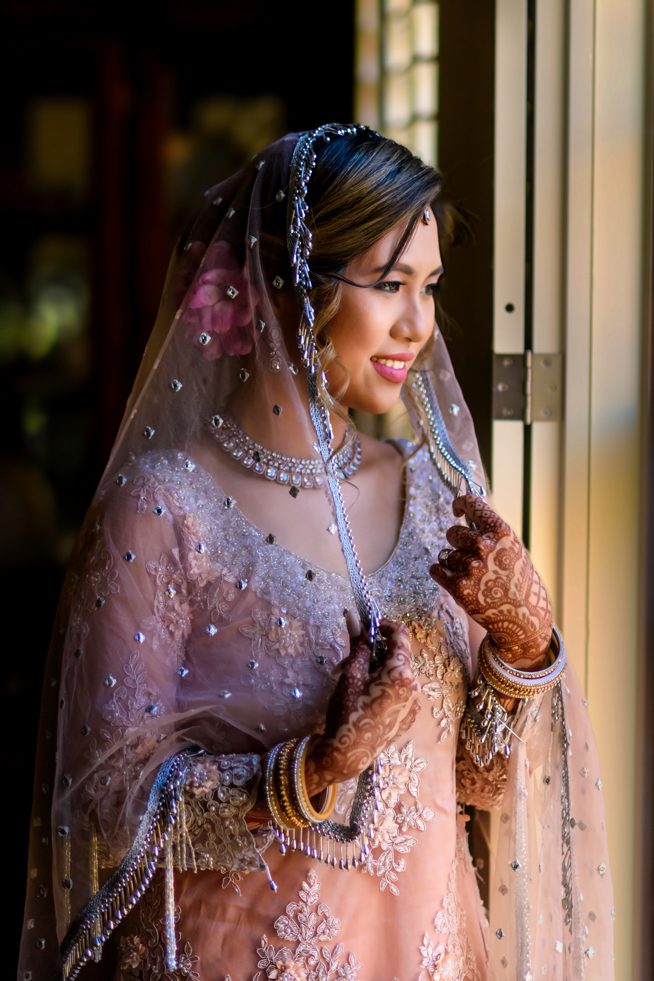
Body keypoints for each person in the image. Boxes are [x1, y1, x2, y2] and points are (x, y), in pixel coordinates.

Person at [18, 123, 614, 981]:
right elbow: (107, 802)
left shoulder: (435, 496)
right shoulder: (165, 506)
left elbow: (475, 783)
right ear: (287, 285)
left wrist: (523, 651)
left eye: (431, 287)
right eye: (390, 284)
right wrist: (311, 770)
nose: (419, 323)